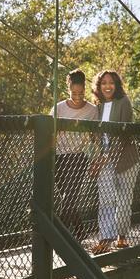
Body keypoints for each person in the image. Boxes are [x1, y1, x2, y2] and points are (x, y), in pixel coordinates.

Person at [89, 69, 139, 254]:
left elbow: (125, 135)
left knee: (124, 200)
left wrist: (105, 157)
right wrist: (96, 158)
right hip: (104, 161)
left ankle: (122, 236)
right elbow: (95, 137)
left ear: (117, 85)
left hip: (126, 159)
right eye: (103, 83)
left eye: (111, 83)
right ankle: (105, 239)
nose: (107, 86)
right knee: (106, 200)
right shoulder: (97, 106)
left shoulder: (124, 102)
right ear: (98, 86)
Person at [54, 69, 98, 235]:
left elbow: (96, 138)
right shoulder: (58, 108)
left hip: (78, 158)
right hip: (58, 157)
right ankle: (80, 230)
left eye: (81, 93)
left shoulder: (92, 110)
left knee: (70, 197)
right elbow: (50, 134)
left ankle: (59, 235)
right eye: (74, 93)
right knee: (68, 198)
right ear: (68, 88)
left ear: (85, 89)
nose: (78, 96)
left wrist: (96, 159)